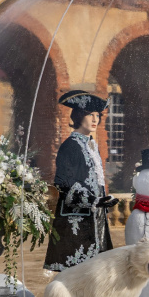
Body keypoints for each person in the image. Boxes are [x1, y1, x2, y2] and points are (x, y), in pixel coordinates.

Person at [44, 88, 119, 271]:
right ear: (78, 116)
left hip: (95, 219)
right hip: (77, 221)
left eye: (97, 115)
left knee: (96, 273)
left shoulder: (91, 146)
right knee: (78, 274)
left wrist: (102, 200)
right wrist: (93, 200)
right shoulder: (70, 146)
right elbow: (64, 184)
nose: (95, 119)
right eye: (90, 115)